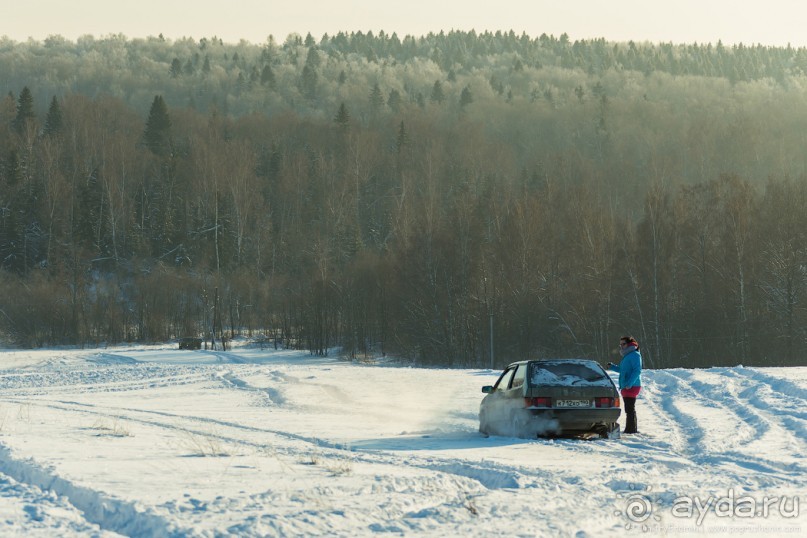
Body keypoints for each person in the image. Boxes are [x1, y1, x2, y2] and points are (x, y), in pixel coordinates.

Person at [607, 336, 642, 434]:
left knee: (629, 408)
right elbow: (622, 370)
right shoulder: (628, 355)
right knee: (629, 408)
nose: (621, 346)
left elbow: (637, 371)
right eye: (620, 344)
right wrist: (612, 367)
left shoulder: (635, 355)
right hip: (626, 385)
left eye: (623, 344)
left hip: (632, 386)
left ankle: (631, 430)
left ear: (629, 344)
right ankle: (631, 429)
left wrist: (629, 384)